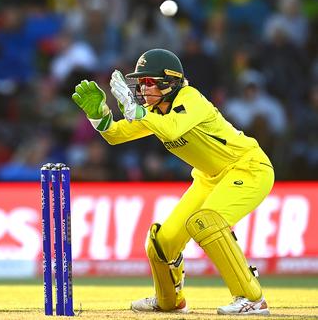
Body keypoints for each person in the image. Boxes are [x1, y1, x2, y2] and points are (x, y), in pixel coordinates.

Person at [71, 49, 273, 315]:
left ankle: (252, 298)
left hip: (248, 168)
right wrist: (99, 117)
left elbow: (173, 128)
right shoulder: (155, 110)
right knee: (161, 242)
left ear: (170, 82)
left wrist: (137, 110)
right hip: (208, 177)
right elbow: (117, 136)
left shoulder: (191, 99)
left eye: (149, 82)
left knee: (206, 222)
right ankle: (169, 302)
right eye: (140, 83)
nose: (143, 89)